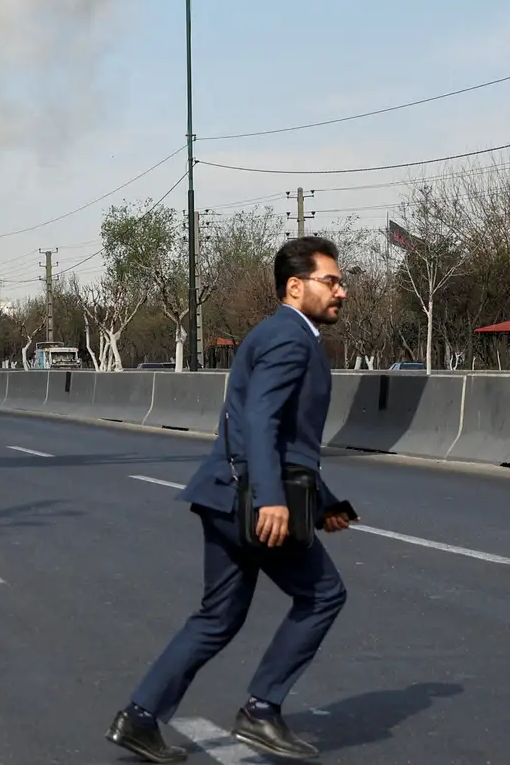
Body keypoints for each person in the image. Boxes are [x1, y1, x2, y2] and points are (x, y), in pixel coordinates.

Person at [107, 236, 358, 763]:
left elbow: (287, 440)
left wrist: (325, 502)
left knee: (217, 616)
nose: (342, 291)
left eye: (340, 281)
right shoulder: (293, 339)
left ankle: (140, 716)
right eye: (331, 281)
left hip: (222, 495)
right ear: (296, 286)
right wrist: (270, 498)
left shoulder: (279, 333)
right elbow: (259, 421)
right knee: (322, 595)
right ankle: (261, 710)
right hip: (252, 500)